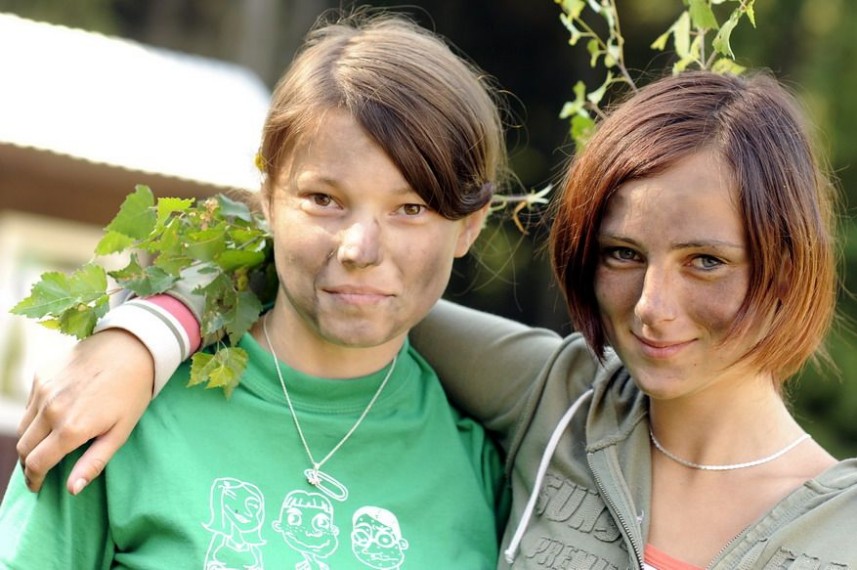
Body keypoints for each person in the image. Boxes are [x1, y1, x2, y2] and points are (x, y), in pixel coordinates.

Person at [11, 71, 857, 568]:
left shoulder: (841, 527)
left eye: (706, 261)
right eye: (621, 254)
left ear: (787, 261)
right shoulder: (555, 403)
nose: (651, 307)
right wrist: (146, 334)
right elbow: (336, 281)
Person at [0, 10, 513, 569]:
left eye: (410, 208)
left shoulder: (485, 475)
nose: (358, 248)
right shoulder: (112, 412)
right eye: (324, 200)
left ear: (470, 225)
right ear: (268, 198)